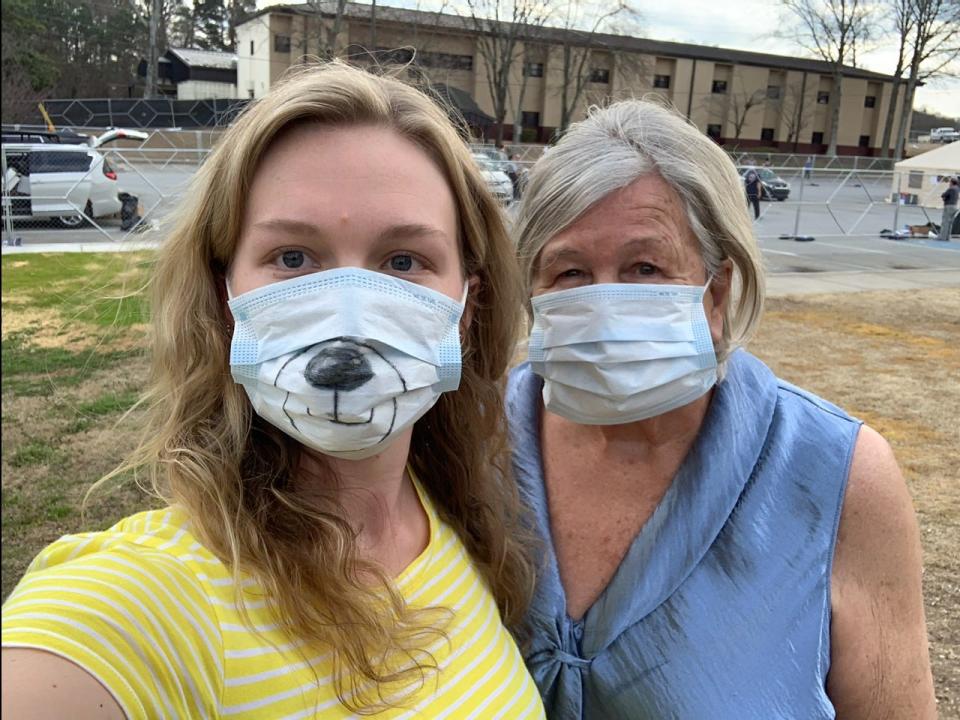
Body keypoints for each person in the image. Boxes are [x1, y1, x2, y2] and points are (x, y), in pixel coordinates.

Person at [2, 62, 545, 719]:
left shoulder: (458, 523)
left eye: (404, 261)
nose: (350, 313)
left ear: (466, 309)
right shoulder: (145, 601)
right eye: (293, 257)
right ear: (226, 299)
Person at [510, 100, 936, 718]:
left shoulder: (836, 472)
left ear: (717, 291)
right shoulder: (473, 444)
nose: (605, 302)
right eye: (570, 272)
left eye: (645, 267)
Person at [939, 176, 958, 241]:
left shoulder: (951, 188)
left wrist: (944, 197)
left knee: (945, 222)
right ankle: (947, 237)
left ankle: (942, 237)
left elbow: (943, 195)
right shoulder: (957, 189)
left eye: (950, 182)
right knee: (950, 223)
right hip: (954, 206)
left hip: (949, 206)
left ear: (952, 183)